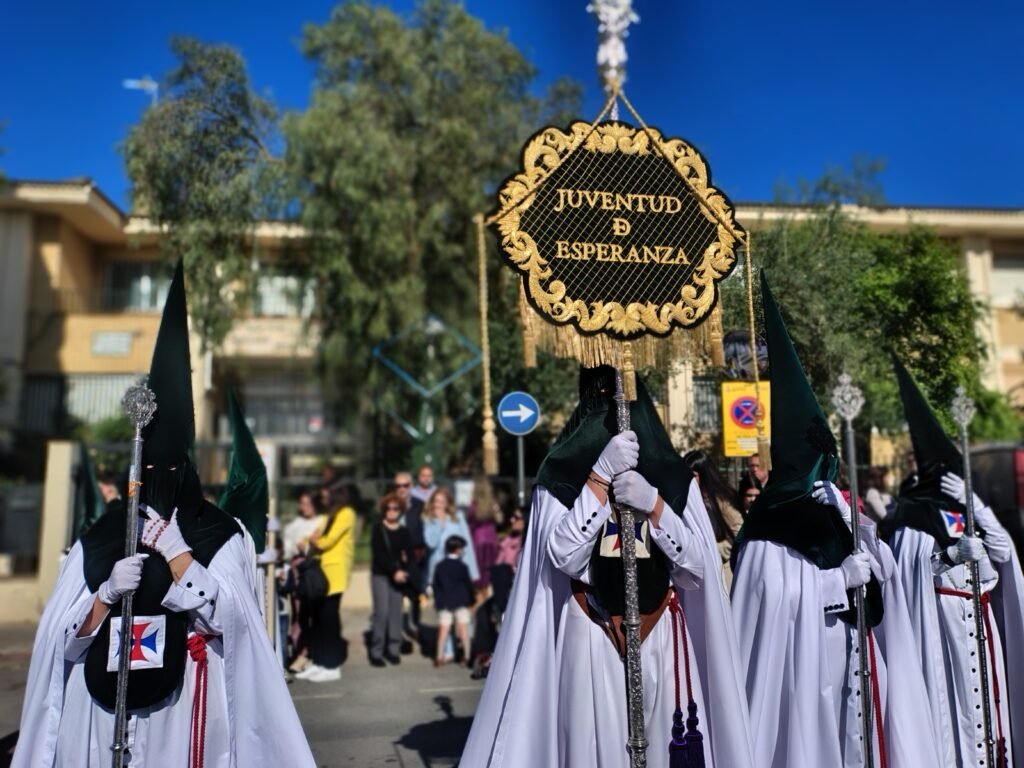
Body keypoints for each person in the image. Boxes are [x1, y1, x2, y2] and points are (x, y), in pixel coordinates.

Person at [12, 260, 315, 767]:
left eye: (169, 468)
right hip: (102, 718)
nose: (158, 477)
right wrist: (105, 596)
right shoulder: (100, 538)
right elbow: (61, 647)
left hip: (187, 711)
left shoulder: (221, 533)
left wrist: (179, 558)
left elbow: (236, 626)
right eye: (148, 469)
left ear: (187, 469)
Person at [461, 365, 754, 768]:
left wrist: (655, 505)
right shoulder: (562, 473)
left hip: (661, 632)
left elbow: (694, 570)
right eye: (603, 395)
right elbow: (565, 554)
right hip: (592, 629)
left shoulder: (671, 475)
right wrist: (598, 479)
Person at [730, 275, 940, 768]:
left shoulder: (833, 512)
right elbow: (770, 601)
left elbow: (884, 576)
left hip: (856, 661)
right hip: (805, 675)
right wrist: (834, 582)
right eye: (818, 462)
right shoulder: (768, 526)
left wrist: (855, 523)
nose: (825, 472)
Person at [886, 357, 1024, 767]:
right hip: (942, 625)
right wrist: (949, 555)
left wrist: (976, 506)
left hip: (979, 618)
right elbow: (908, 576)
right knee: (955, 707)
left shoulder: (969, 507)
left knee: (988, 705)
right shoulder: (913, 514)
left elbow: (1003, 551)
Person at [295, 483, 357, 683]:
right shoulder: (330, 515)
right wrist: (309, 540)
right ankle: (319, 662)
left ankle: (332, 665)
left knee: (329, 621)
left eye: (326, 495)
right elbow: (314, 535)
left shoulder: (346, 513)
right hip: (321, 573)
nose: (324, 499)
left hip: (335, 575)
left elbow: (327, 540)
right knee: (318, 620)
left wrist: (314, 541)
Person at [683, 450, 745, 588]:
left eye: (693, 475)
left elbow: (738, 531)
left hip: (723, 571)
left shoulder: (722, 499)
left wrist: (713, 550)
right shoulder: (687, 499)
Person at [282, 491, 325, 672]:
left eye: (309, 503)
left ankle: (311, 653)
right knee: (299, 613)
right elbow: (288, 549)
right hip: (298, 572)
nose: (305, 507)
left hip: (315, 571)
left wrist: (305, 547)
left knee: (315, 612)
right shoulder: (294, 525)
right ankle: (300, 651)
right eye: (302, 503)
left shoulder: (322, 522)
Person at [369, 493, 413, 668]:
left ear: (400, 510)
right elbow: (378, 554)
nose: (392, 511)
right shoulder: (378, 529)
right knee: (382, 612)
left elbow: (410, 554)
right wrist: (394, 571)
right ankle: (376, 651)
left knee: (396, 613)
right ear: (384, 510)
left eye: (395, 508)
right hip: (380, 575)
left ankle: (394, 650)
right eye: (388, 508)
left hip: (399, 577)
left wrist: (404, 569)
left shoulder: (404, 532)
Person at [433, 535, 475, 668]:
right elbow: (468, 585)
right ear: (457, 549)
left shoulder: (440, 566)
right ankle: (467, 656)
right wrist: (472, 599)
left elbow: (436, 586)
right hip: (461, 600)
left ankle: (439, 656)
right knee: (463, 629)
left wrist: (438, 602)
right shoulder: (462, 566)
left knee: (443, 630)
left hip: (445, 601)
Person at [467, 476, 501, 590]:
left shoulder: (473, 506)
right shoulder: (492, 504)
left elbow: (470, 524)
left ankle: (480, 589)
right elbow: (499, 520)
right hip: (491, 538)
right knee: (491, 565)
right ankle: (490, 587)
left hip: (478, 538)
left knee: (479, 567)